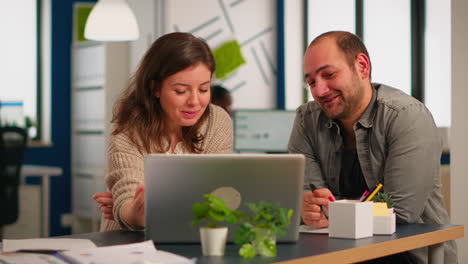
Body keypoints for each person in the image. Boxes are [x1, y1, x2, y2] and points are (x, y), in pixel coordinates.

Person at [288, 31, 457, 263]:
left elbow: (399, 214)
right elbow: (311, 199)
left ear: (362, 66)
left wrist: (332, 212)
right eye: (311, 82)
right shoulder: (306, 120)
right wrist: (309, 209)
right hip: (332, 250)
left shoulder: (406, 117)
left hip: (406, 253)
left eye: (329, 74)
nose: (319, 90)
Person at [93, 32, 233, 231]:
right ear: (155, 88)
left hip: (193, 239)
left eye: (203, 89)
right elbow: (129, 200)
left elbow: (217, 196)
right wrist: (133, 211)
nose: (194, 101)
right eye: (181, 91)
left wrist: (162, 203)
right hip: (131, 246)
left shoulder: (216, 120)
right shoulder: (127, 131)